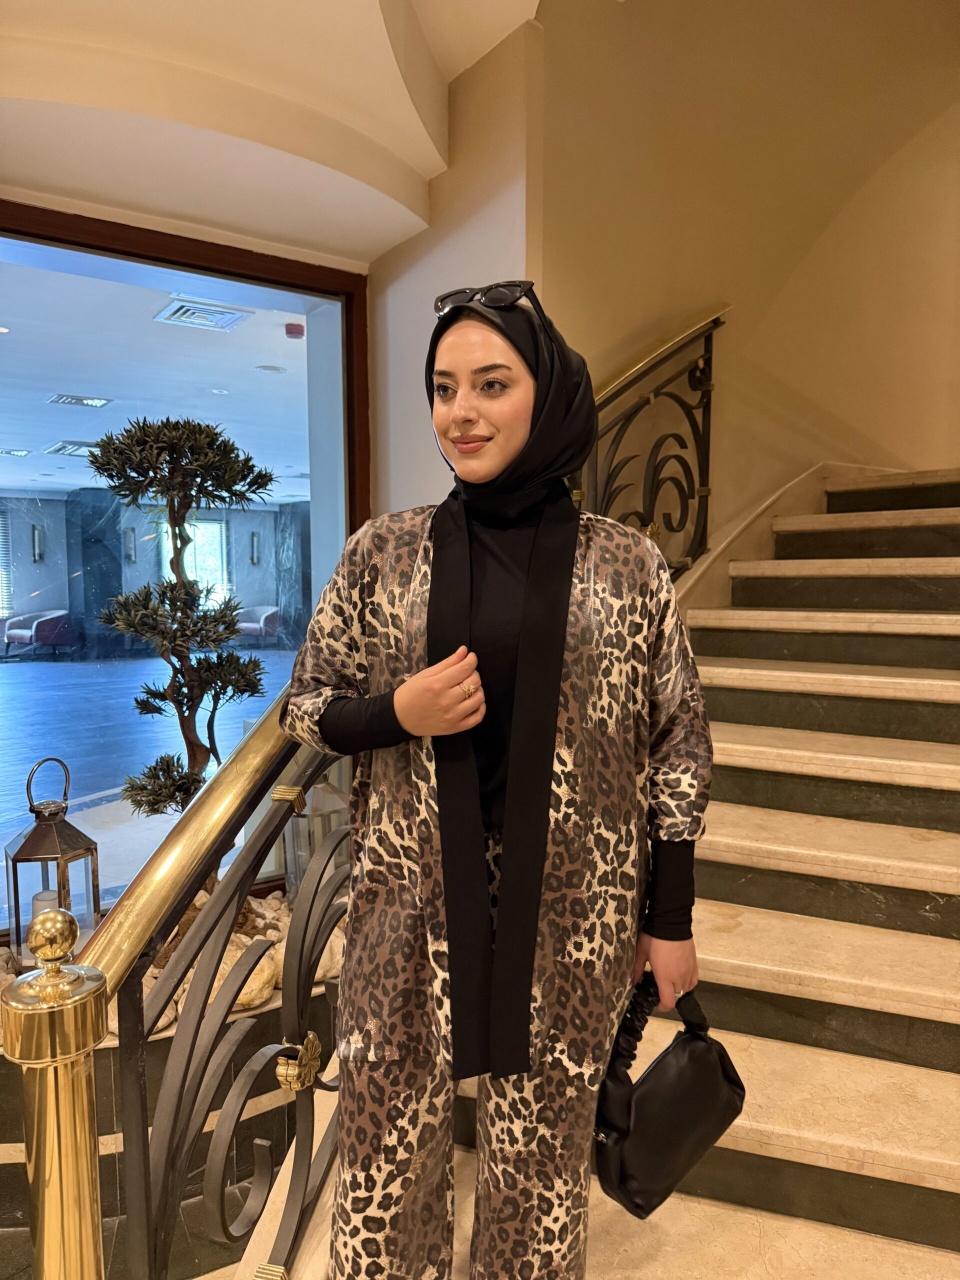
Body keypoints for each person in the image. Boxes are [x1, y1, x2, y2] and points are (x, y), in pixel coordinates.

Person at [280, 279, 713, 1280]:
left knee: (539, 1178)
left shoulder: (626, 566)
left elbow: (677, 745)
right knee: (384, 1165)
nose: (460, 413)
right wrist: (398, 711)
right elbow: (306, 704)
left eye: (490, 383)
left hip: (570, 921)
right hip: (405, 911)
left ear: (545, 392)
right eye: (443, 387)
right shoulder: (385, 553)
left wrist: (670, 918)